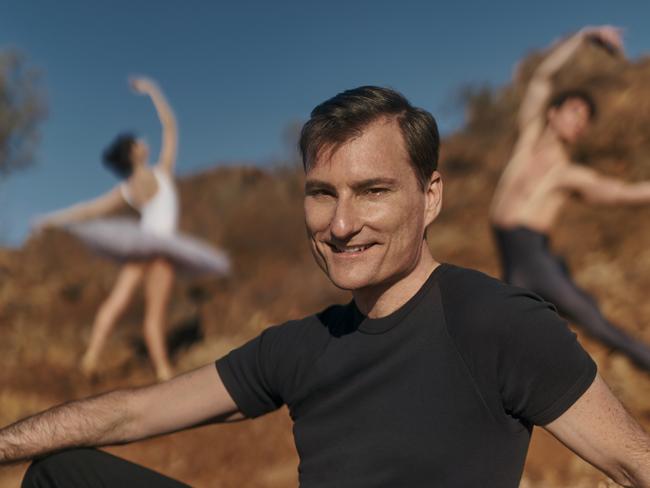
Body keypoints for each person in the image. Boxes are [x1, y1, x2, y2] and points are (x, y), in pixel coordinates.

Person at [3, 86, 650, 487]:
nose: (341, 225)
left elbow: (634, 464)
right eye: (322, 194)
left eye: (372, 192)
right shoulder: (300, 346)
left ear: (430, 197)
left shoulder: (498, 321)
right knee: (49, 472)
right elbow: (134, 412)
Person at [33, 77, 229, 382]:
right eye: (139, 142)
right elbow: (170, 126)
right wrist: (152, 89)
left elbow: (87, 209)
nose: (144, 143)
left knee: (116, 303)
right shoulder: (160, 172)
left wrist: (50, 219)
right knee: (153, 316)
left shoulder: (127, 189)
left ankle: (90, 360)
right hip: (163, 248)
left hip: (140, 246)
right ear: (135, 153)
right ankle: (164, 373)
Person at [490, 26, 650, 371]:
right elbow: (542, 77)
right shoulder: (527, 143)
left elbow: (624, 193)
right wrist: (585, 36)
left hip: (536, 262)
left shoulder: (570, 174)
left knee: (599, 326)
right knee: (508, 348)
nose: (580, 122)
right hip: (510, 261)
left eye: (585, 119)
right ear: (552, 112)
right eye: (575, 111)